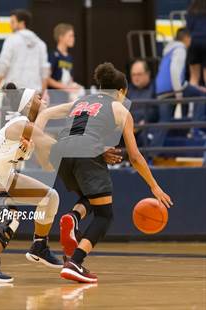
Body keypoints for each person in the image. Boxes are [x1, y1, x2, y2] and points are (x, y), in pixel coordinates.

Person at [35, 62, 173, 283]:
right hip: (85, 154)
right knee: (105, 215)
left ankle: (73, 217)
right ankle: (75, 263)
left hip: (61, 152)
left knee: (91, 198)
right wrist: (154, 186)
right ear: (121, 92)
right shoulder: (121, 108)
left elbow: (45, 114)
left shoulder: (80, 102)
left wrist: (36, 140)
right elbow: (135, 156)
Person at [0, 83, 65, 283]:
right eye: (38, 97)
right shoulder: (20, 124)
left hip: (4, 176)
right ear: (28, 104)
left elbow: (47, 164)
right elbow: (52, 144)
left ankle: (39, 246)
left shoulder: (30, 130)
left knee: (49, 197)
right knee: (11, 215)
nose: (43, 99)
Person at [155, 27, 206, 144]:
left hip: (162, 91)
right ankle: (195, 129)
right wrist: (178, 92)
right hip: (173, 89)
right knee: (202, 96)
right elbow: (174, 71)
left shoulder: (168, 51)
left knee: (164, 123)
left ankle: (151, 155)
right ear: (187, 38)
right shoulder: (180, 49)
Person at [0, 9, 50, 102]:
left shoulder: (11, 40)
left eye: (13, 22)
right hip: (34, 94)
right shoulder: (40, 43)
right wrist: (43, 92)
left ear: (22, 23)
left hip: (14, 93)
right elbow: (45, 70)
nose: (10, 25)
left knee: (11, 117)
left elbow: (3, 64)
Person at [48, 23, 84, 103]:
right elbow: (47, 79)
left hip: (66, 98)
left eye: (73, 36)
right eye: (70, 36)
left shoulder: (69, 57)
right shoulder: (53, 55)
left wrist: (74, 86)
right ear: (61, 37)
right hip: (54, 98)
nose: (73, 38)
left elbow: (70, 78)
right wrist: (66, 87)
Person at [127, 59, 157, 146]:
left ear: (148, 74)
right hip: (129, 127)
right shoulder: (128, 90)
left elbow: (157, 111)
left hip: (147, 126)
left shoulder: (155, 88)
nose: (136, 77)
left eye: (139, 74)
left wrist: (145, 121)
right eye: (133, 75)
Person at [186, 0, 206, 86]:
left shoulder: (191, 10)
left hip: (194, 43)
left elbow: (188, 28)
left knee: (194, 77)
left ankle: (192, 99)